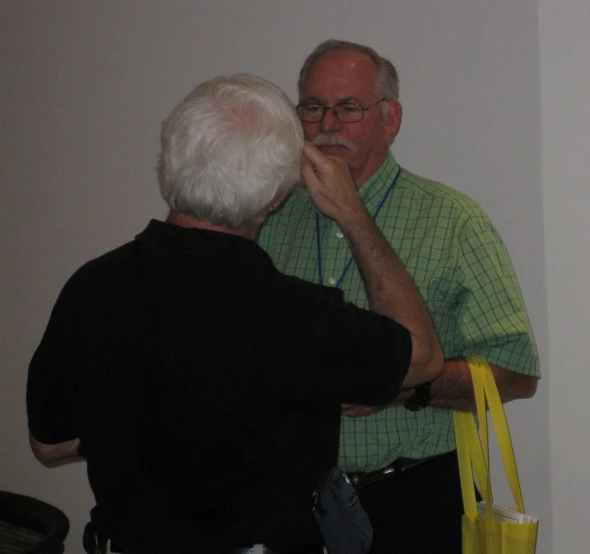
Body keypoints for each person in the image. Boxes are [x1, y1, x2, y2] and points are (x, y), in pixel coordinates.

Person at [26, 73, 443, 554]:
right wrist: (353, 214)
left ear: (170, 160)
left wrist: (146, 430)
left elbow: (48, 444)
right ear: (276, 197)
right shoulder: (297, 315)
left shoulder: (91, 286)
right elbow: (423, 357)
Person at [258, 40, 541, 553]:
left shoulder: (453, 221)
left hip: (417, 499)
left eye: (349, 108)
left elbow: (518, 375)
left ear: (390, 119)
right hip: (296, 501)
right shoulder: (273, 219)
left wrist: (406, 387)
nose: (328, 124)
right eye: (314, 108)